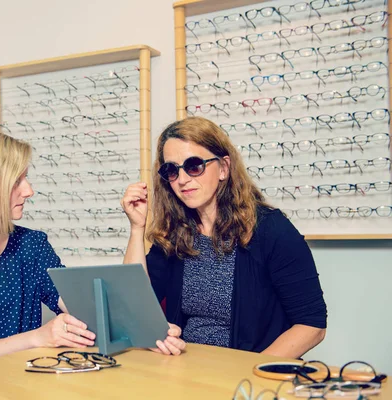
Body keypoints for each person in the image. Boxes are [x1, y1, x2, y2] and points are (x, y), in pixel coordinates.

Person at [0, 128, 183, 400]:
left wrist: (142, 329)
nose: (29, 190)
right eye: (17, 181)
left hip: (18, 382)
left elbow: (77, 306)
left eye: (26, 178)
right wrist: (41, 337)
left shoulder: (30, 245)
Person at [120, 117, 327, 358]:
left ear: (224, 168)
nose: (183, 179)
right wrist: (137, 228)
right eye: (172, 170)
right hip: (185, 369)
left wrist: (249, 374)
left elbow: (312, 326)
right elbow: (132, 306)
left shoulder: (271, 229)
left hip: (250, 375)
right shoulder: (177, 232)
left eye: (194, 165)